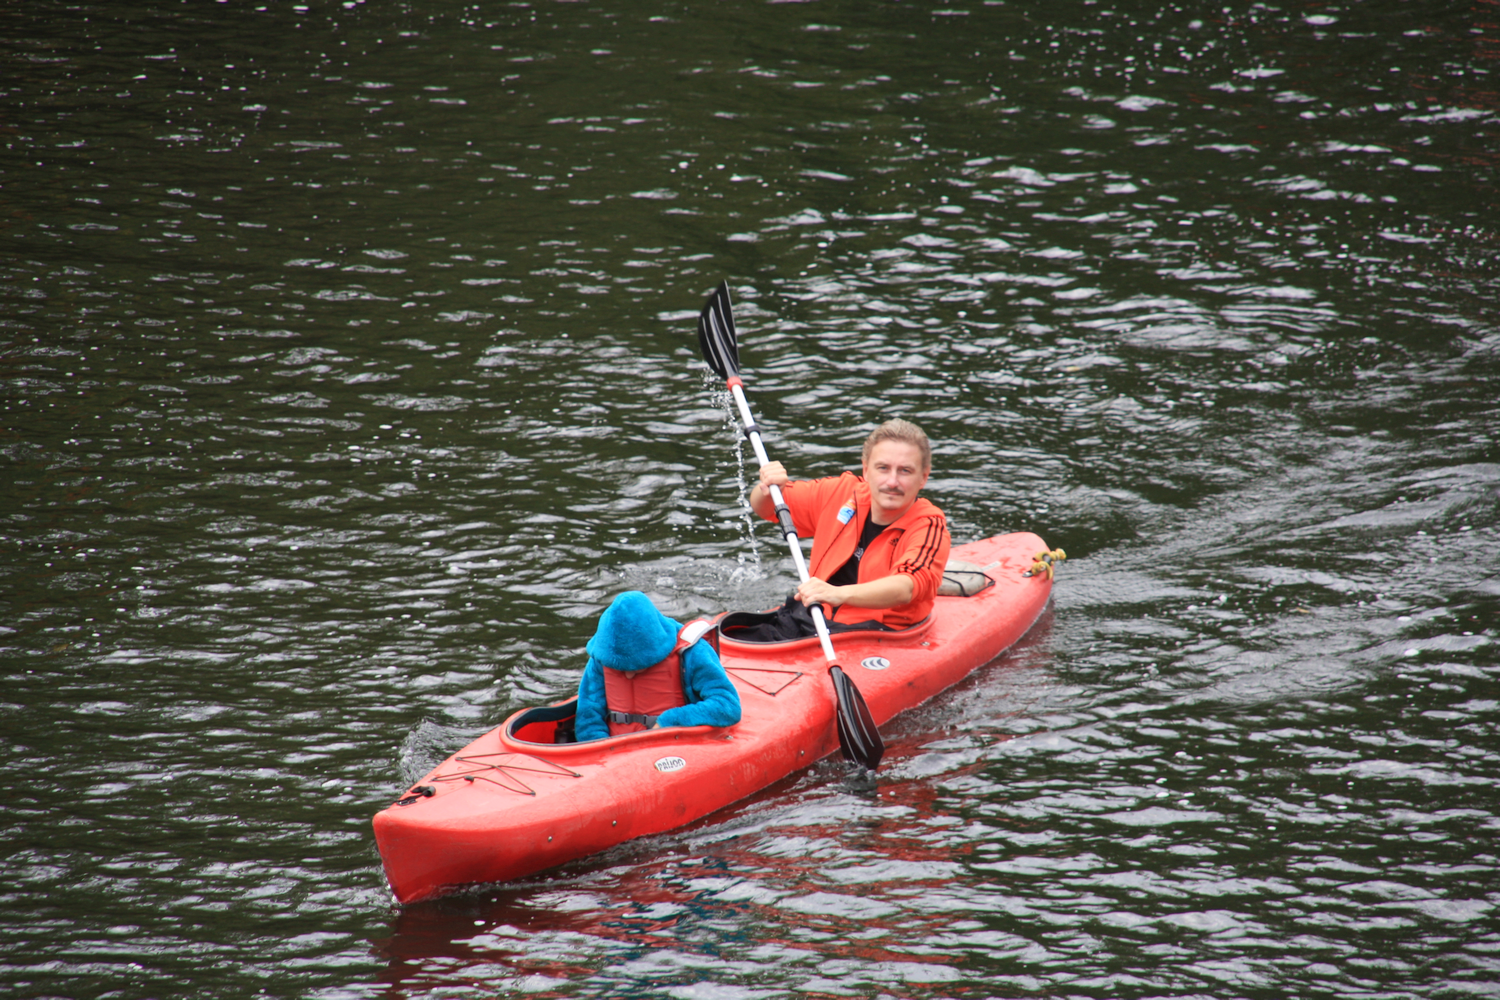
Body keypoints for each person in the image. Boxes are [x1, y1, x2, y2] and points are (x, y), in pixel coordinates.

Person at [733, 418, 950, 641]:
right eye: (883, 468)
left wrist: (836, 594)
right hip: (812, 616)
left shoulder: (929, 525)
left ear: (923, 477)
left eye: (905, 471)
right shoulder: (841, 492)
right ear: (866, 470)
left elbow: (906, 587)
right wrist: (768, 487)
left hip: (878, 634)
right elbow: (764, 508)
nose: (892, 482)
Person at [574, 591, 741, 741]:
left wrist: (669, 721)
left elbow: (727, 706)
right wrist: (603, 750)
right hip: (615, 751)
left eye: (635, 668)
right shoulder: (603, 655)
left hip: (673, 747)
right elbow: (588, 718)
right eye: (619, 669)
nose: (628, 676)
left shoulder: (692, 652)